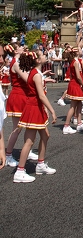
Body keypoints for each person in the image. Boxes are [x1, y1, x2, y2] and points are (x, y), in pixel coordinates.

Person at [13, 50, 57, 183]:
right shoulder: (36, 75)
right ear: (38, 60)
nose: (45, 56)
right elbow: (41, 95)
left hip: (36, 107)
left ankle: (40, 164)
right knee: (29, 141)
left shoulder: (36, 73)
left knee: (45, 135)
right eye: (43, 55)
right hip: (33, 108)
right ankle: (20, 171)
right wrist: (52, 110)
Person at [62, 48, 83, 134]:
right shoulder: (76, 62)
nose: (81, 51)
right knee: (73, 106)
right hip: (76, 84)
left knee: (79, 104)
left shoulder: (75, 61)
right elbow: (78, 76)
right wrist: (82, 84)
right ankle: (66, 125)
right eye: (80, 50)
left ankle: (79, 123)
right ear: (77, 52)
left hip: (75, 84)